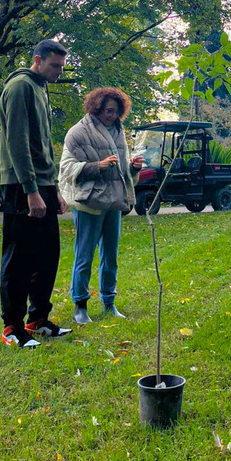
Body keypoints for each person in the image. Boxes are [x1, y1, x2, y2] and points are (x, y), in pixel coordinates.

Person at [0, 39, 72, 348]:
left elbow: (43, 145)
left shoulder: (41, 88)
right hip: (20, 185)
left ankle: (37, 320)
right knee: (19, 259)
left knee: (47, 255)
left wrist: (52, 190)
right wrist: (31, 191)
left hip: (41, 185)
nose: (58, 71)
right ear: (38, 60)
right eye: (54, 65)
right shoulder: (19, 87)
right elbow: (17, 142)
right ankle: (12, 328)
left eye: (61, 66)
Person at [58, 87, 144, 324]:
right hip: (90, 204)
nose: (112, 116)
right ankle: (80, 306)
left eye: (116, 112)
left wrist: (133, 168)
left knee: (111, 256)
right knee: (84, 256)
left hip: (113, 203)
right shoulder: (77, 133)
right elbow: (65, 169)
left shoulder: (118, 131)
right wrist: (97, 166)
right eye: (108, 111)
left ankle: (109, 301)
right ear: (96, 108)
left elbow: (122, 170)